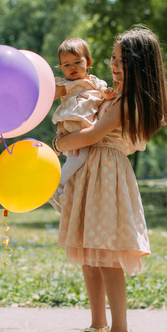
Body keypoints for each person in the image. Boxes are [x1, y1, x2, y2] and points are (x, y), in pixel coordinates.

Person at [52, 27, 167, 332]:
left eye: (121, 60)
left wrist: (61, 143)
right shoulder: (112, 96)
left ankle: (121, 331)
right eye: (113, 59)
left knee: (107, 256)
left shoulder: (128, 102)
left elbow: (92, 136)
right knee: (90, 254)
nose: (114, 65)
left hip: (107, 175)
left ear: (138, 65)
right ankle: (98, 325)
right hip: (92, 174)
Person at [51, 37, 117, 211]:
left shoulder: (93, 81)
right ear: (60, 68)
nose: (72, 67)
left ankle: (63, 196)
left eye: (77, 62)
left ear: (88, 62)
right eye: (66, 65)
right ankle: (57, 184)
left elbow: (104, 91)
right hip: (74, 123)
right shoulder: (65, 84)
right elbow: (51, 95)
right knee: (80, 156)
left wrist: (108, 93)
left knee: (76, 159)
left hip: (85, 124)